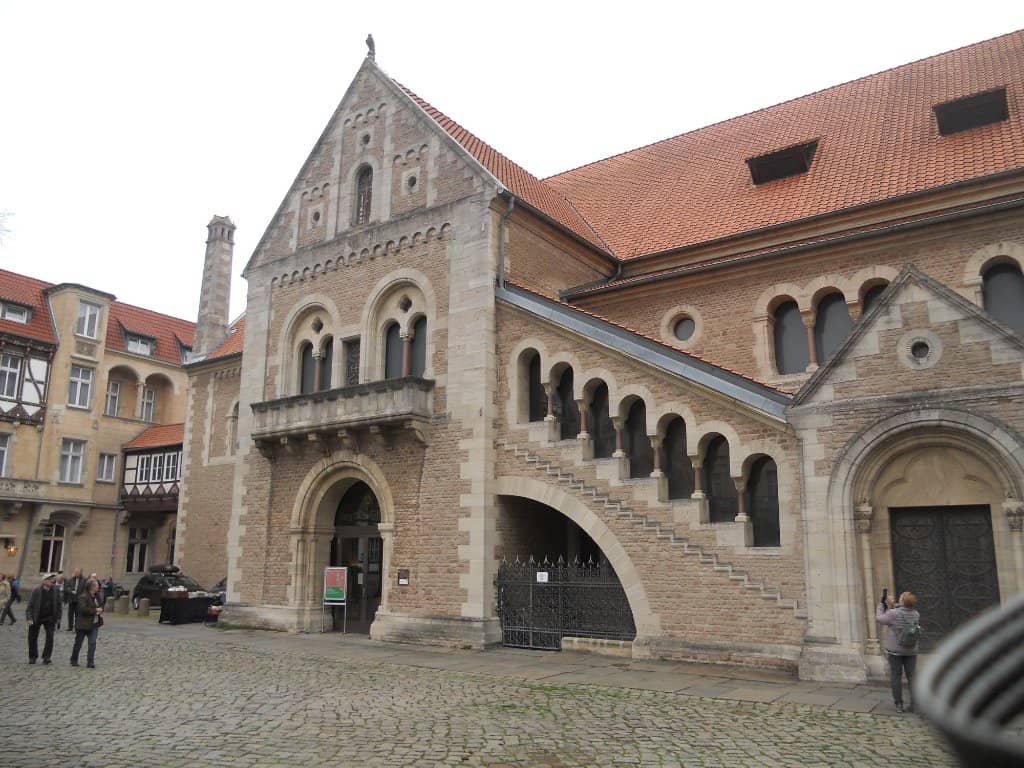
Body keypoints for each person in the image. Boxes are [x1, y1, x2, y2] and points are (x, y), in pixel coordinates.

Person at [877, 590, 922, 714]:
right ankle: (914, 705)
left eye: (900, 598)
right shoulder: (916, 614)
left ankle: (899, 704)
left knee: (896, 676)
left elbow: (880, 619)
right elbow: (902, 613)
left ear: (902, 601)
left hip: (895, 651)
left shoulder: (893, 614)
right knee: (912, 677)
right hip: (911, 650)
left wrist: (882, 605)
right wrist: (892, 605)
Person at [26, 573, 62, 665]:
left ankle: (46, 657)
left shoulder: (55, 590)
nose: (51, 581)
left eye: (52, 579)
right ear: (44, 581)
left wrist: (58, 618)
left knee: (50, 637)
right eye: (49, 579)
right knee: (32, 637)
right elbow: (30, 606)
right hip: (36, 616)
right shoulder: (37, 591)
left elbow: (59, 605)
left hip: (50, 617)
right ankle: (33, 656)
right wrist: (29, 618)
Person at [70, 579, 103, 669]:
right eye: (97, 586)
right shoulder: (83, 597)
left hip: (94, 624)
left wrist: (100, 609)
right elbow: (83, 609)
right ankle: (74, 659)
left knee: (92, 643)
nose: (98, 587)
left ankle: (90, 662)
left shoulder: (97, 596)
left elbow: (101, 604)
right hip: (83, 624)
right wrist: (95, 610)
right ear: (92, 587)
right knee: (78, 643)